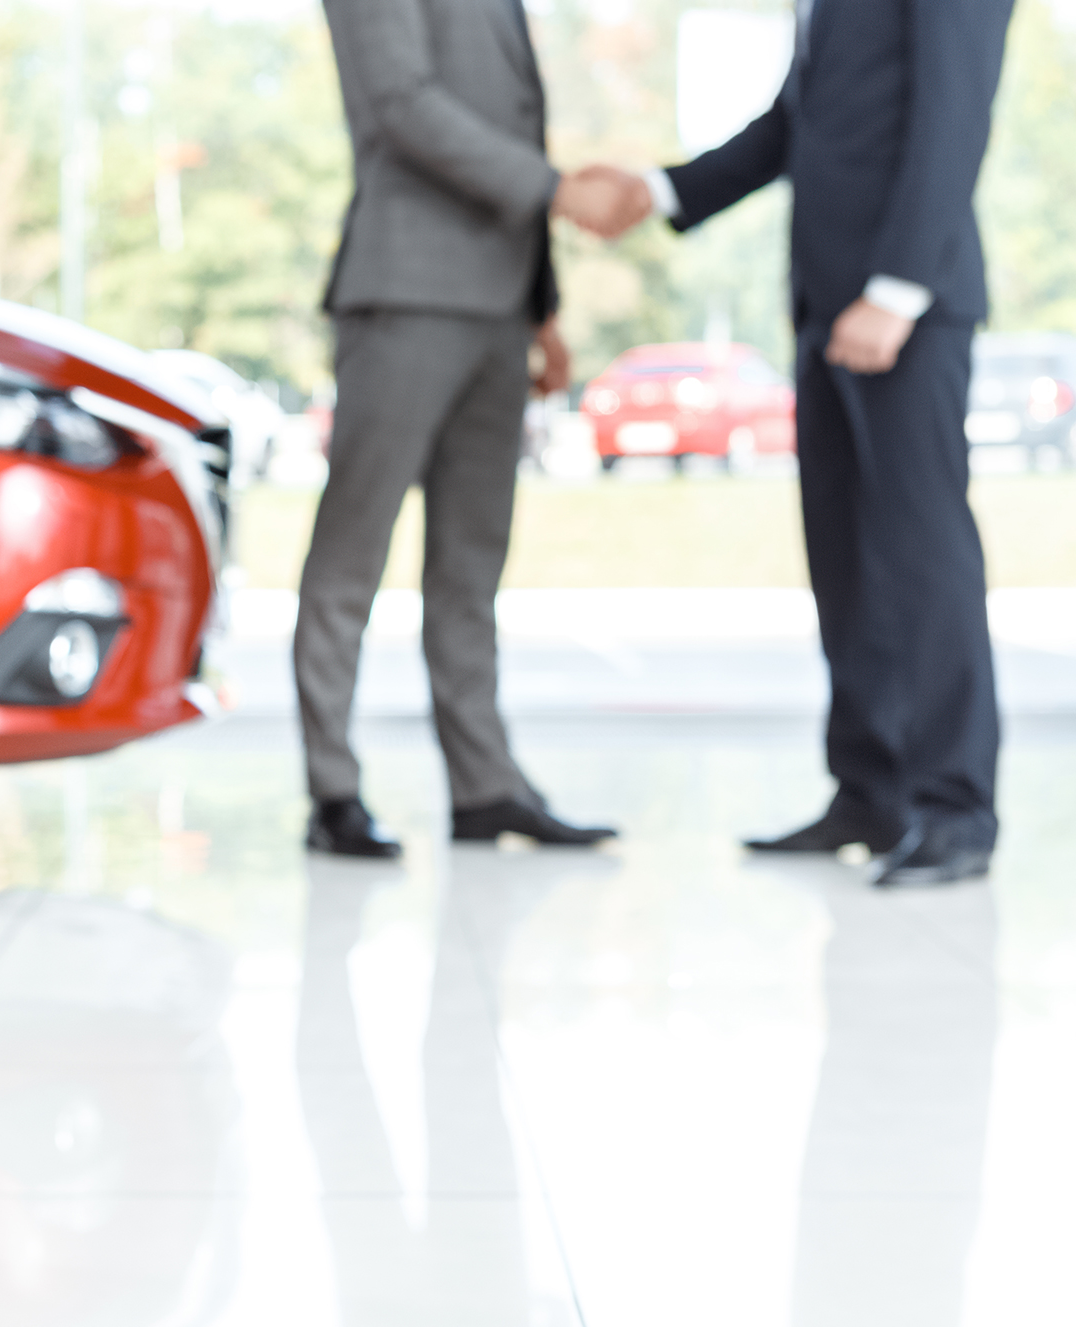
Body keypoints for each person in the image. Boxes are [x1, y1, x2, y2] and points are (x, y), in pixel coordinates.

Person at [634, 0, 1016, 885]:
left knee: (922, 554)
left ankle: (955, 806)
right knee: (844, 553)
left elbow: (955, 109)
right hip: (827, 302)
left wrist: (899, 286)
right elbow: (794, 122)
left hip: (902, 306)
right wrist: (664, 191)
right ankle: (871, 789)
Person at [298, 0, 640, 859]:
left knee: (472, 562)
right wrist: (560, 193)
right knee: (353, 552)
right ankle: (333, 789)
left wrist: (544, 310)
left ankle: (484, 786)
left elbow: (513, 130)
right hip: (405, 291)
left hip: (500, 307)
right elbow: (403, 103)